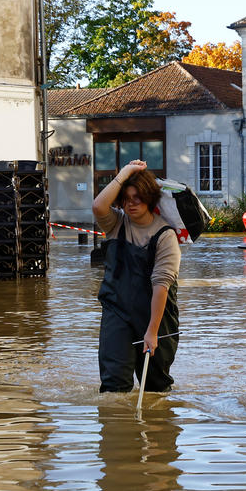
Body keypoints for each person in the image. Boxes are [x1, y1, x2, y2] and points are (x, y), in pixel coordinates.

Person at [92, 159, 181, 393]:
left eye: (137, 198)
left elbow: (161, 287)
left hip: (157, 317)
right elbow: (98, 206)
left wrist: (151, 331)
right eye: (126, 199)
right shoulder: (115, 224)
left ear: (149, 199)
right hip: (117, 313)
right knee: (113, 387)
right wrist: (124, 173)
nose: (131, 205)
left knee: (155, 388)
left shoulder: (165, 236)